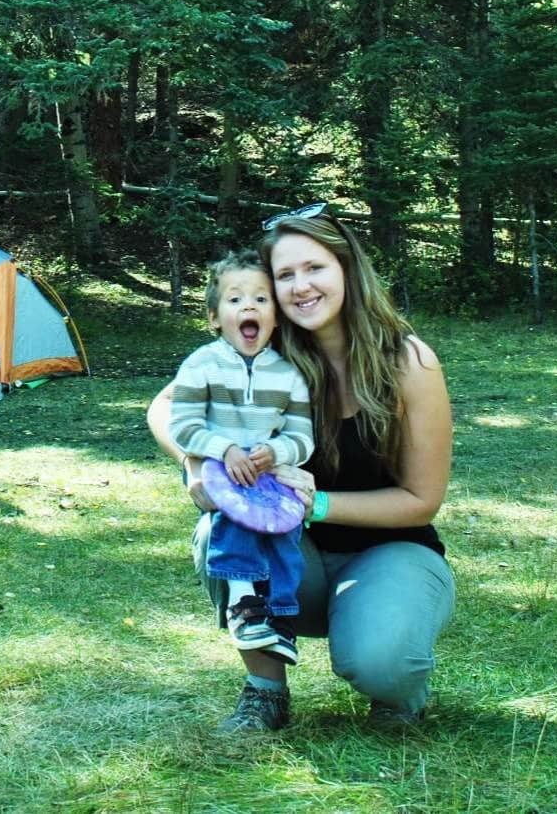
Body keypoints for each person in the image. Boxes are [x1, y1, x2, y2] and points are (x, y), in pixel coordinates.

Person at [148, 205, 454, 735]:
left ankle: (394, 678)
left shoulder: (408, 361)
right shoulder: (265, 354)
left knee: (383, 662)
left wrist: (318, 503)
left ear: (347, 269)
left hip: (391, 550)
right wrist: (197, 464)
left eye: (314, 268)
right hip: (293, 552)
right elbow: (162, 408)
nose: (300, 287)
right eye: (284, 275)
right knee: (219, 530)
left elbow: (421, 499)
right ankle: (266, 693)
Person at [164, 251, 316, 660]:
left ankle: (282, 616)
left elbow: (302, 435)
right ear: (215, 317)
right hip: (219, 467)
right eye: (235, 300)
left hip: (267, 471)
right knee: (234, 518)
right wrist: (224, 448)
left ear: (277, 317)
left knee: (285, 529)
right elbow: (183, 425)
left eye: (261, 300)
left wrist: (277, 451)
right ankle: (244, 603)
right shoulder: (201, 365)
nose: (249, 306)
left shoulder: (289, 375)